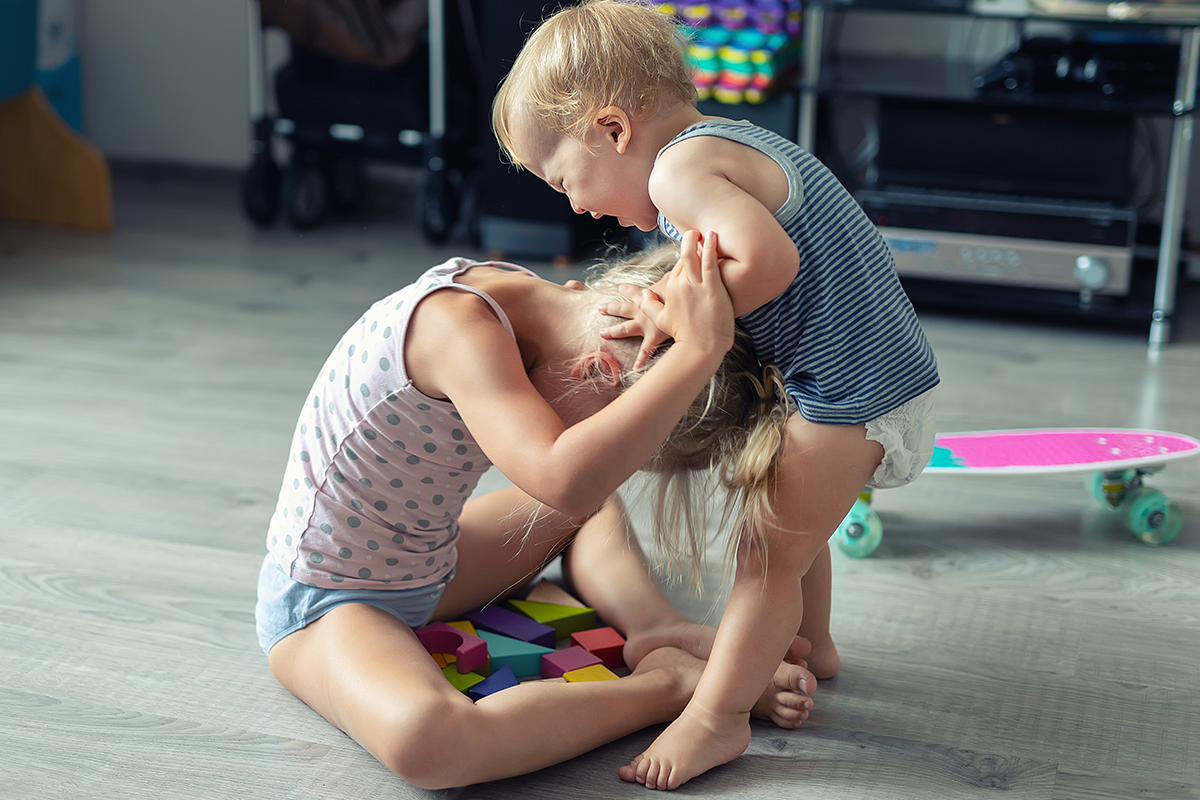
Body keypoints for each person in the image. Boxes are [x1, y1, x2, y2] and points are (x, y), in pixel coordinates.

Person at [492, 0, 941, 789]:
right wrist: (671, 294)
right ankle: (815, 646)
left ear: (612, 130)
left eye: (565, 179)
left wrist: (674, 311)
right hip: (863, 377)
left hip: (852, 389)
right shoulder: (722, 142)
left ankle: (717, 719)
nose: (574, 205)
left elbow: (770, 263)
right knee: (792, 528)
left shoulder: (677, 173)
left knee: (764, 557)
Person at [255, 232, 817, 790]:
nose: (620, 465)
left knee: (593, 506)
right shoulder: (456, 328)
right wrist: (697, 349)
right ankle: (670, 684)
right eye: (631, 455)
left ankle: (654, 628)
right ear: (595, 371)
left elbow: (583, 493)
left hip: (431, 563)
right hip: (328, 598)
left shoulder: (541, 301)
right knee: (429, 743)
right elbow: (568, 481)